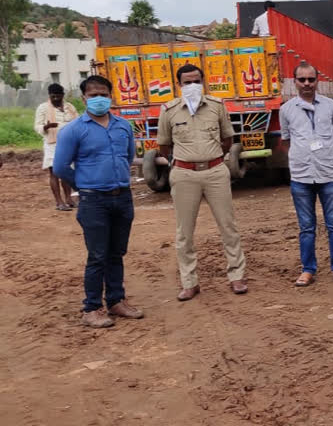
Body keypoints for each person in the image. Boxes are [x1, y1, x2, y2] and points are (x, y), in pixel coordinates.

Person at [54, 75, 143, 328]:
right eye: (93, 95)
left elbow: (128, 157)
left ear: (111, 96)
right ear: (83, 99)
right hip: (94, 201)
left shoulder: (123, 126)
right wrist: (84, 184)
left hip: (122, 198)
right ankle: (92, 308)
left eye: (103, 94)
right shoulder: (73, 130)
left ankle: (116, 301)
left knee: (117, 252)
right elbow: (60, 166)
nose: (99, 99)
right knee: (97, 255)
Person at [157, 64, 247, 301]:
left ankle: (236, 276)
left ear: (203, 81)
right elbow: (164, 146)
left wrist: (212, 156)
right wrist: (183, 162)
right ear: (179, 85)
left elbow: (228, 139)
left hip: (216, 171)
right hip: (184, 174)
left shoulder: (217, 107)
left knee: (228, 226)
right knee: (184, 232)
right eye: (187, 82)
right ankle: (189, 282)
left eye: (196, 81)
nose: (192, 86)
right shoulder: (169, 110)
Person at [279, 62, 333, 287]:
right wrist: (301, 157)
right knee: (306, 227)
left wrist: (329, 156)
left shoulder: (331, 106)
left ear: (317, 80)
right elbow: (285, 141)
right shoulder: (286, 109)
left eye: (311, 79)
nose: (307, 84)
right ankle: (308, 269)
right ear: (295, 82)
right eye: (302, 80)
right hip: (301, 177)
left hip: (328, 174)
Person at [35, 83, 78, 211]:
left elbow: (78, 121)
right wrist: (46, 127)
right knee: (54, 172)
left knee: (66, 172)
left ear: (62, 95)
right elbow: (37, 126)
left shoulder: (69, 107)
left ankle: (69, 199)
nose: (56, 99)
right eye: (53, 97)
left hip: (69, 143)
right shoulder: (43, 108)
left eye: (58, 96)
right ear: (49, 96)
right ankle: (59, 202)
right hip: (52, 144)